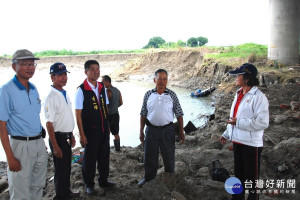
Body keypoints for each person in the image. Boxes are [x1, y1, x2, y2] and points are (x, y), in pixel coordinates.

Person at [0, 49, 48, 199]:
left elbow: (34, 116)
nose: (30, 67)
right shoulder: (6, 91)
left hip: (38, 143)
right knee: (20, 191)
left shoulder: (33, 89)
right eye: (25, 64)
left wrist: (40, 140)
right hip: (20, 146)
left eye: (32, 64)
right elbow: (1, 126)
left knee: (38, 185)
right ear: (14, 67)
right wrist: (10, 157)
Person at [218, 63, 269, 200]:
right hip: (238, 141)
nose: (235, 78)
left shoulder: (259, 97)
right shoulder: (239, 94)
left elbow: (263, 122)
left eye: (238, 75)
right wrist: (227, 134)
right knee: (238, 177)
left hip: (251, 144)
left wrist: (238, 123)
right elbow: (234, 117)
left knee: (252, 182)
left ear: (246, 78)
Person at [138, 69, 185, 187]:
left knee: (169, 155)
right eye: (159, 79)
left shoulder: (172, 95)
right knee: (149, 156)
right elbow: (143, 113)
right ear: (154, 80)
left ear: (167, 81)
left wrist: (182, 131)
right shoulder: (148, 94)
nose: (162, 81)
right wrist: (141, 131)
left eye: (165, 79)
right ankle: (148, 178)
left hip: (167, 130)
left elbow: (179, 113)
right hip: (151, 130)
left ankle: (170, 178)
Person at [75, 60, 115, 195]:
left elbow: (105, 106)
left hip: (103, 129)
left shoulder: (101, 86)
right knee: (89, 159)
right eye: (92, 69)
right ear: (86, 72)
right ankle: (89, 185)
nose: (96, 71)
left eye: (98, 69)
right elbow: (78, 113)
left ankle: (103, 180)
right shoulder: (81, 90)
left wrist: (107, 125)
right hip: (90, 131)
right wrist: (82, 134)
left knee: (104, 156)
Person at [44, 62, 80, 199]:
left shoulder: (64, 93)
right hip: (57, 138)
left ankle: (66, 192)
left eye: (65, 74)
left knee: (66, 168)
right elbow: (49, 124)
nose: (64, 77)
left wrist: (71, 134)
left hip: (66, 136)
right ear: (52, 77)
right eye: (60, 75)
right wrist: (55, 146)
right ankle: (60, 196)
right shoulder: (51, 97)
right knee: (60, 169)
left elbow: (65, 117)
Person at [102, 75, 123, 152]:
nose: (102, 84)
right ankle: (118, 149)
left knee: (106, 132)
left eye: (103, 82)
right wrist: (115, 107)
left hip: (109, 115)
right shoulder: (117, 90)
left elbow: (105, 105)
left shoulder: (107, 91)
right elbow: (121, 102)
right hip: (116, 114)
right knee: (116, 133)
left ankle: (106, 149)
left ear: (107, 82)